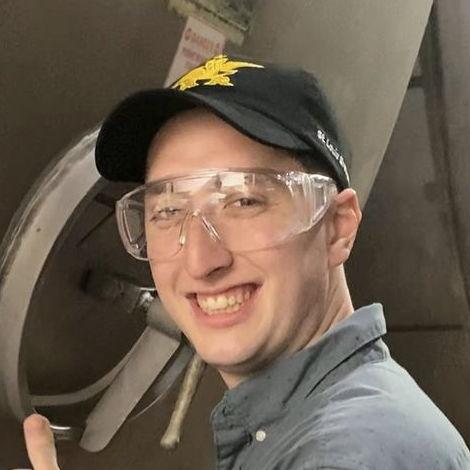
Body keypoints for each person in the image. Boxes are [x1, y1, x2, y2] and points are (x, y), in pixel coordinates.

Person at [20, 55, 470, 469]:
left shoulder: (351, 453)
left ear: (337, 227)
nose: (200, 260)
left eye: (244, 201)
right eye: (167, 211)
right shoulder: (302, 428)